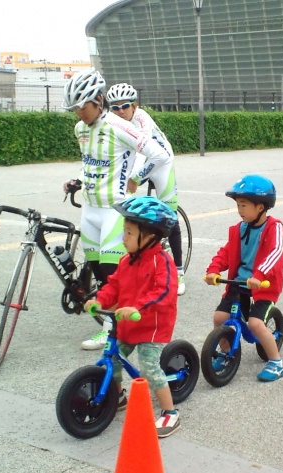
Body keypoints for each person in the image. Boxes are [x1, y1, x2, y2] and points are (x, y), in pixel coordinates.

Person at [61, 69, 171, 350]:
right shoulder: (80, 129)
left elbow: (159, 154)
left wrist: (137, 177)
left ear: (98, 100)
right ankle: (110, 324)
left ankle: (112, 331)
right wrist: (78, 179)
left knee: (112, 272)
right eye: (74, 108)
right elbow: (89, 161)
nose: (79, 113)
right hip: (90, 209)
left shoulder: (118, 126)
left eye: (82, 106)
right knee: (97, 273)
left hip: (112, 209)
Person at [83, 195, 181, 438]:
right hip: (127, 323)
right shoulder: (126, 260)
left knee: (148, 367)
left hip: (152, 327)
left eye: (128, 233)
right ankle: (118, 397)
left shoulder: (162, 262)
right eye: (123, 231)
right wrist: (99, 301)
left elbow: (164, 292)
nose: (123, 238)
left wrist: (138, 307)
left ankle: (170, 412)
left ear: (149, 237)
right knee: (112, 359)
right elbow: (113, 286)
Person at [204, 175, 283, 382]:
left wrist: (259, 275)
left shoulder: (274, 227)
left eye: (244, 205)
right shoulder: (239, 229)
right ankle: (225, 354)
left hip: (263, 286)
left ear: (261, 207)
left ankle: (276, 363)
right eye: (238, 205)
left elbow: (276, 253)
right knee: (220, 318)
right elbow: (226, 252)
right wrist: (213, 270)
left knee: (256, 324)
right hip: (238, 283)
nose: (240, 210)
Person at [105, 83, 186, 296]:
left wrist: (136, 178)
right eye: (115, 107)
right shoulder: (112, 123)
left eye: (125, 106)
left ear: (134, 105)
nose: (120, 111)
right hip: (139, 164)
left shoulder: (141, 119)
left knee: (171, 217)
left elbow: (148, 153)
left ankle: (178, 271)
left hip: (161, 162)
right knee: (129, 212)